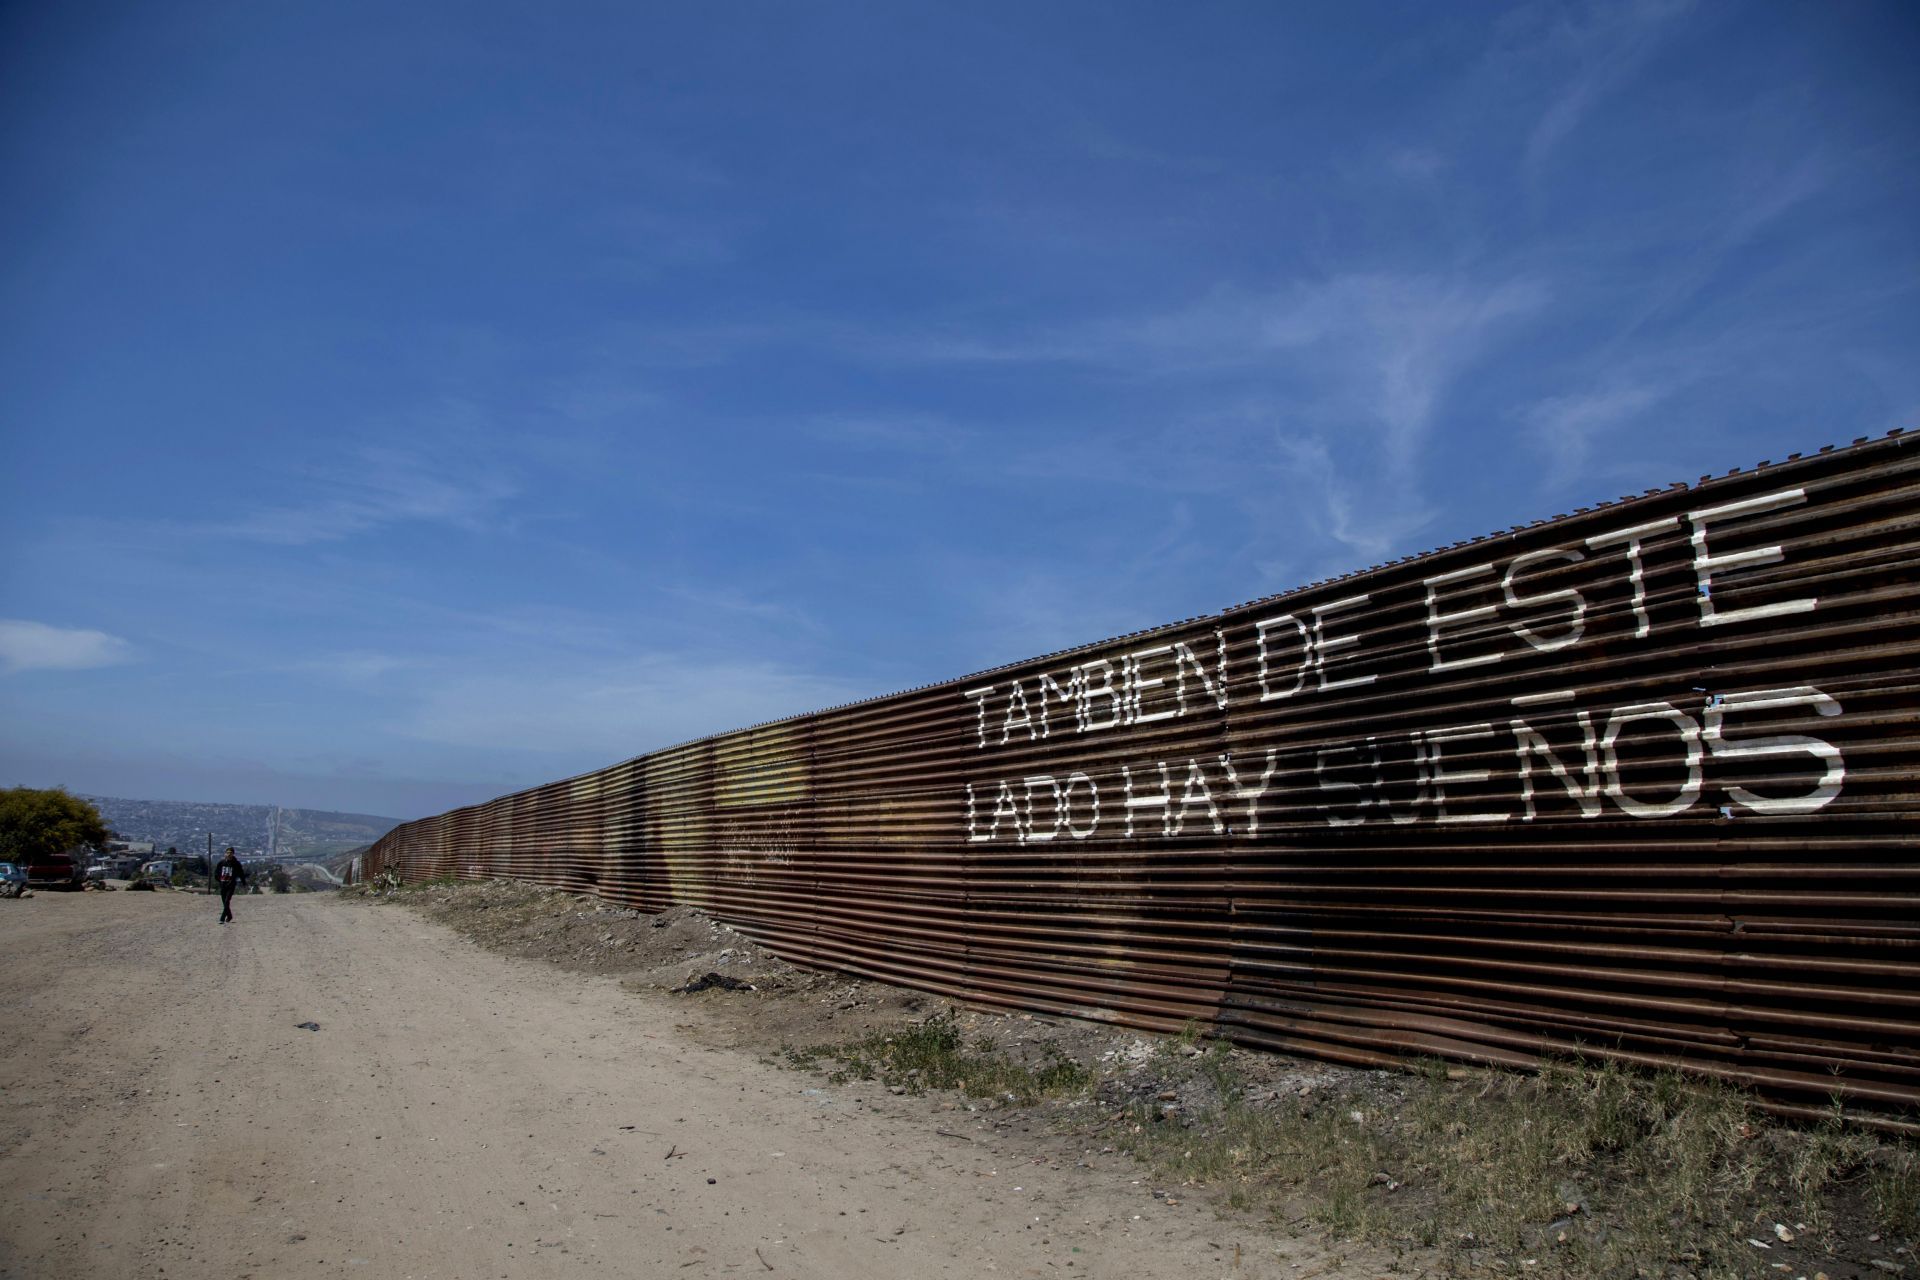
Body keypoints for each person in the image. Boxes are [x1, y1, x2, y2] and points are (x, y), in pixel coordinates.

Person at [216, 847, 249, 923]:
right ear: (225, 854)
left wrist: (244, 883)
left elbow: (241, 874)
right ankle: (230, 916)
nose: (229, 854)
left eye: (230, 853)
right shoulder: (221, 863)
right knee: (224, 902)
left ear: (233, 854)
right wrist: (219, 881)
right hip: (223, 884)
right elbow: (216, 873)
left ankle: (222, 918)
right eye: (227, 853)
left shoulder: (236, 864)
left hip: (231, 885)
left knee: (227, 901)